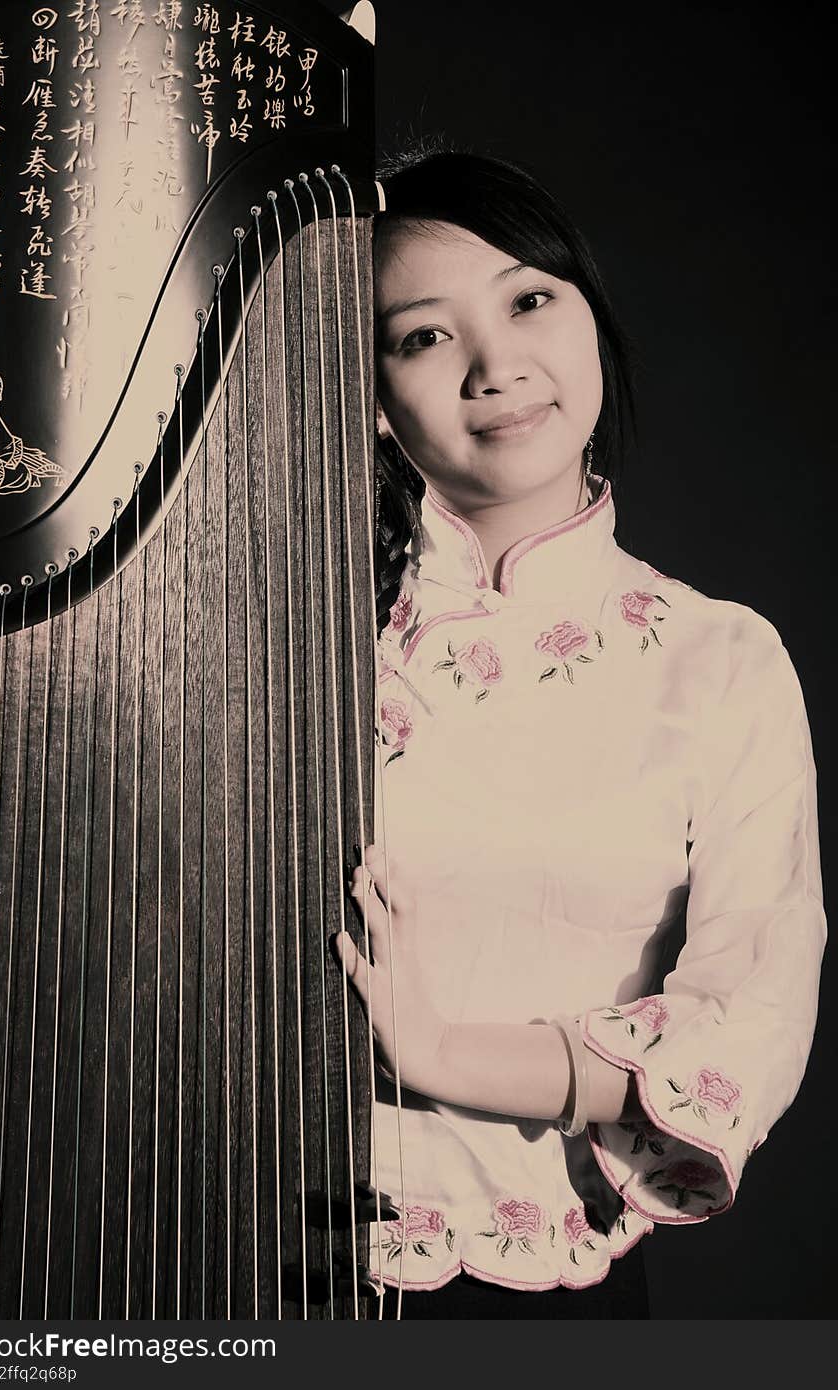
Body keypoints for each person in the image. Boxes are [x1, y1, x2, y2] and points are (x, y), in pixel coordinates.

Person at [332, 143, 827, 1319]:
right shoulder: (297, 653)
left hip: (538, 1295)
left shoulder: (720, 660)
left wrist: (443, 1053)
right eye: (422, 334)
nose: (496, 364)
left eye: (528, 298)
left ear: (589, 320)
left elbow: (748, 1017)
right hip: (233, 1262)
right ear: (370, 396)